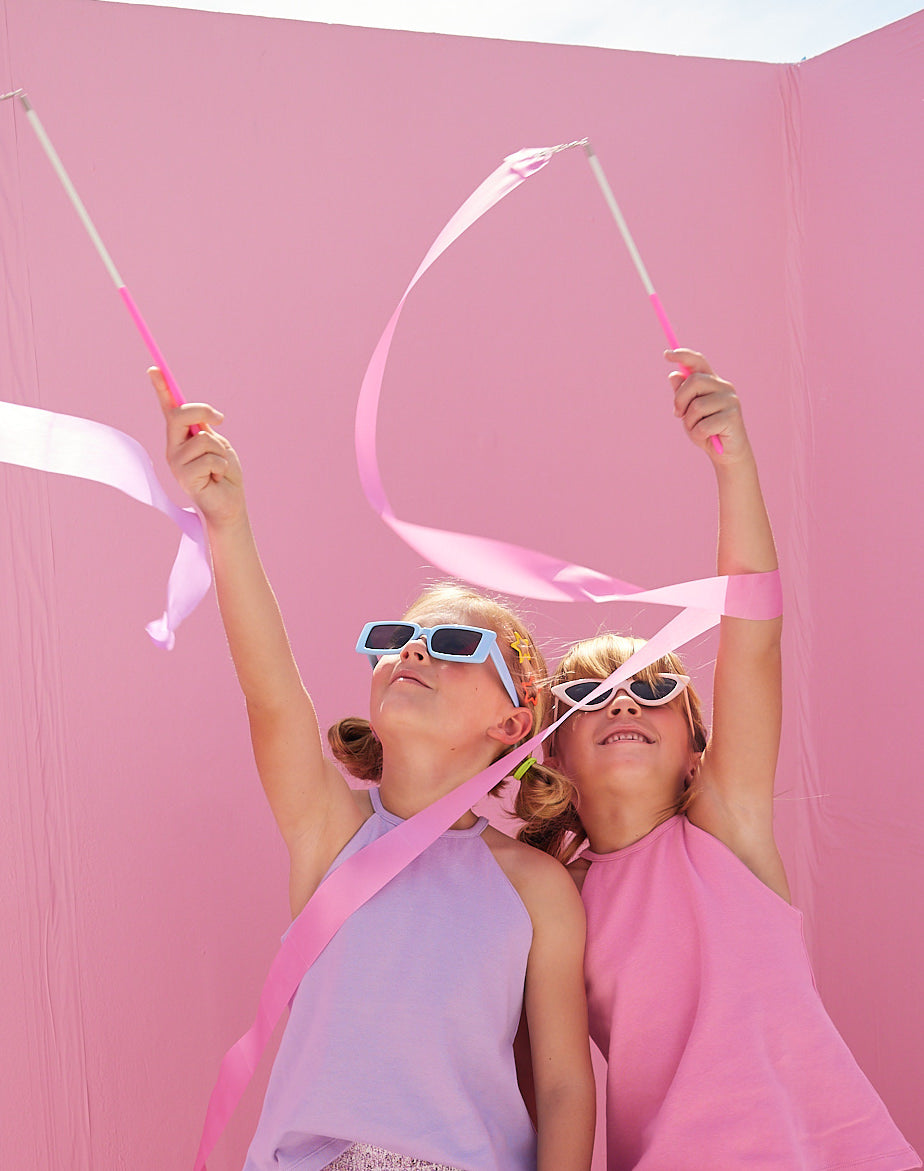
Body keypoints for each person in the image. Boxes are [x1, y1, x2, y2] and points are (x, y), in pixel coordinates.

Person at [150, 369, 595, 1171]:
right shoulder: (334, 830)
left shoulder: (536, 885)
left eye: (458, 644)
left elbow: (564, 1084)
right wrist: (228, 520)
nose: (413, 649)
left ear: (513, 722)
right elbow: (273, 694)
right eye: (397, 638)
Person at [517, 350, 921, 1171]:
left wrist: (732, 459)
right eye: (590, 692)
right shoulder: (553, 900)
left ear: (698, 743)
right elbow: (542, 1088)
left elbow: (754, 629)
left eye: (654, 684)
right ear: (552, 749)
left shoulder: (724, 829)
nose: (624, 701)